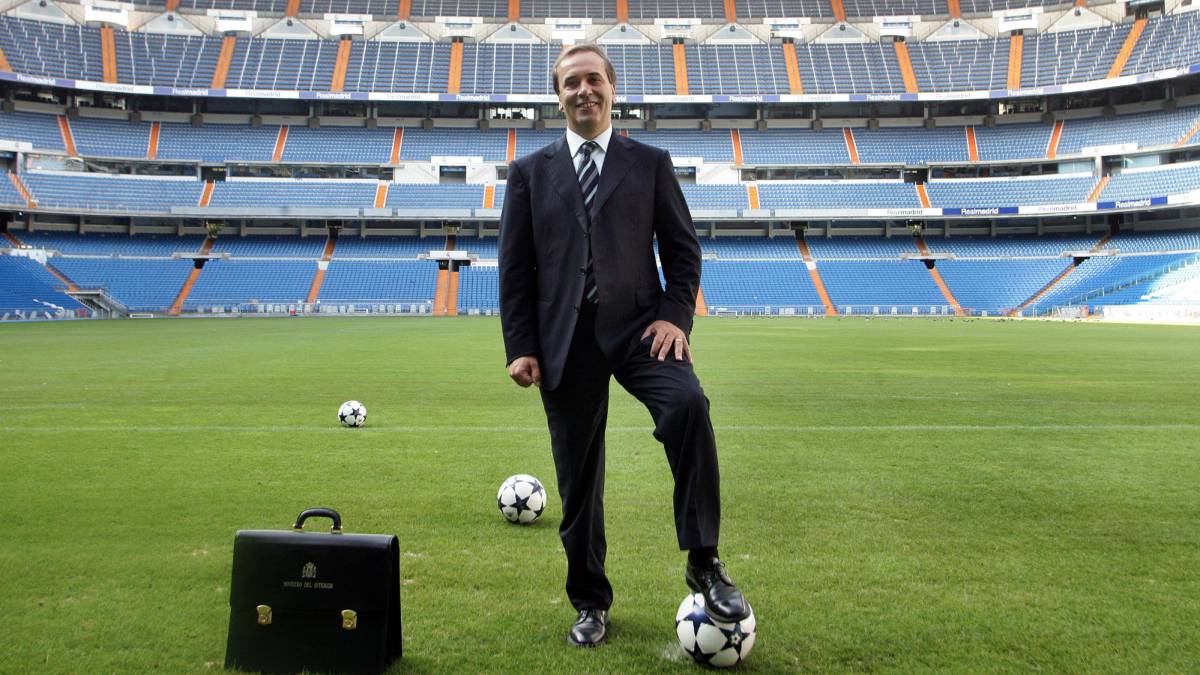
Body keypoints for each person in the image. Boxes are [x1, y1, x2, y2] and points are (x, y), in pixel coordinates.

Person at [498, 43, 749, 647]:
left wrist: (675, 320)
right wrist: (520, 345)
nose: (583, 91)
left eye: (593, 81)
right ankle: (590, 602)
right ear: (557, 97)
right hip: (564, 341)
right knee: (579, 479)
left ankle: (704, 560)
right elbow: (516, 270)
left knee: (688, 408)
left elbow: (683, 253)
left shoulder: (651, 163)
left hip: (640, 331)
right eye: (570, 84)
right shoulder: (530, 173)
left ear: (612, 89)